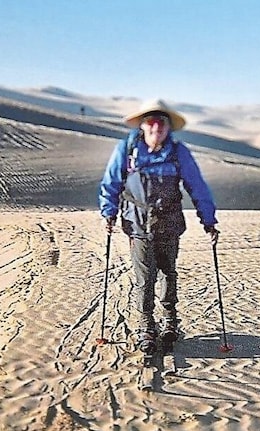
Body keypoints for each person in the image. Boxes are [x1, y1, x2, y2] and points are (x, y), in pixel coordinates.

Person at [99, 99, 219, 353]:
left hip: (169, 223)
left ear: (168, 128)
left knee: (168, 273)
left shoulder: (178, 152)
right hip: (138, 223)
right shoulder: (128, 149)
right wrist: (108, 212)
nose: (156, 128)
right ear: (142, 126)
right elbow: (111, 182)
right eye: (151, 123)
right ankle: (145, 325)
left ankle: (170, 320)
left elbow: (197, 186)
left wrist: (208, 220)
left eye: (161, 123)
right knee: (145, 277)